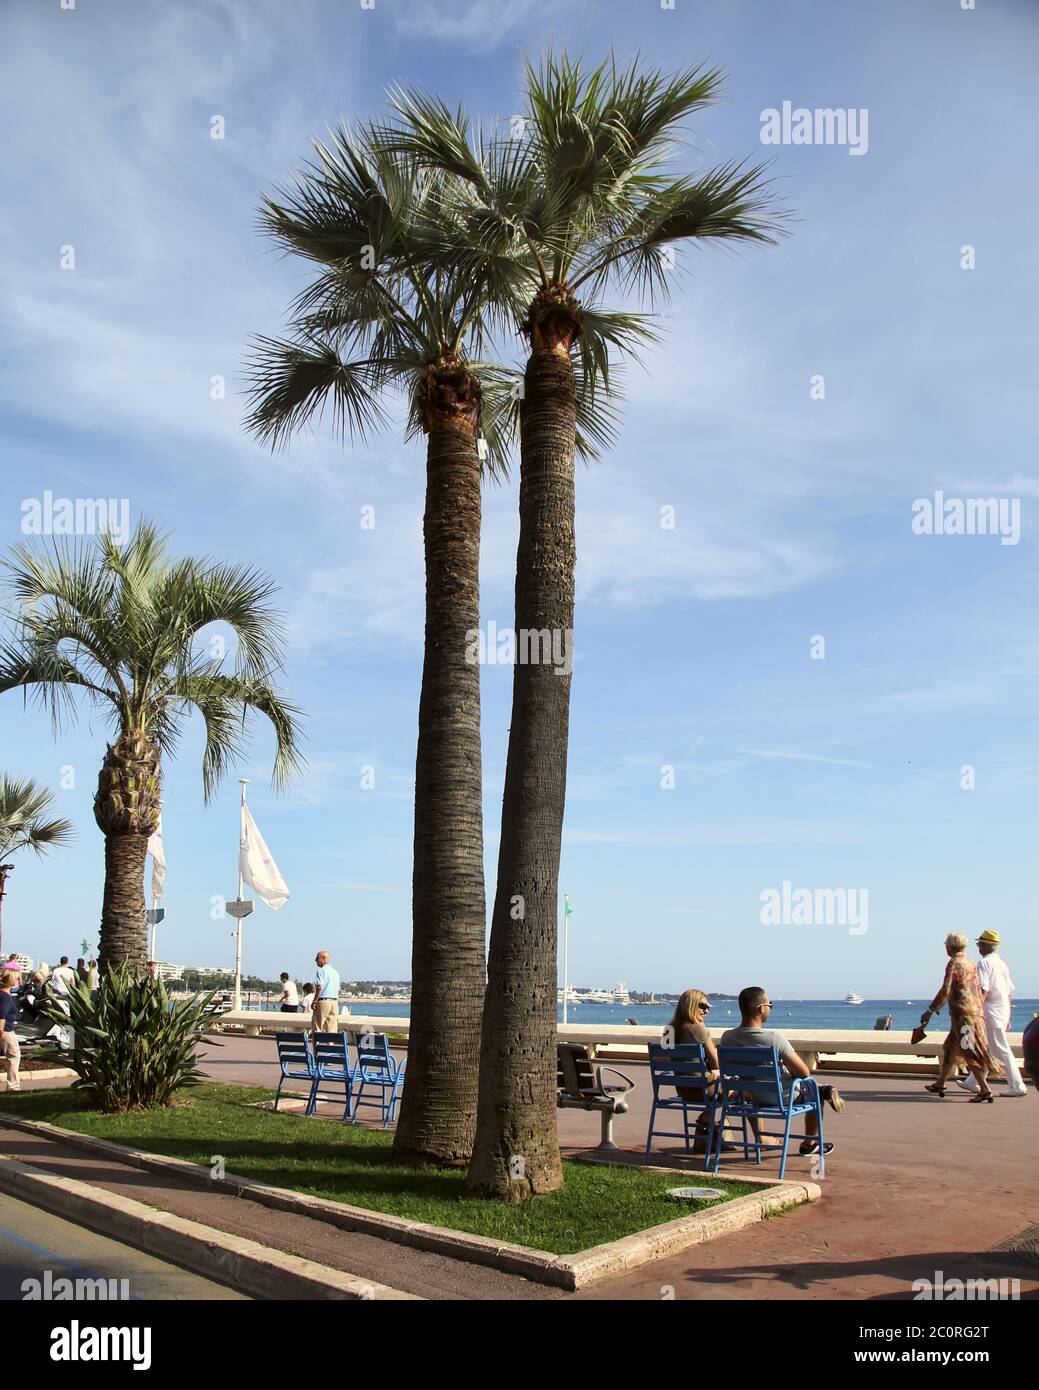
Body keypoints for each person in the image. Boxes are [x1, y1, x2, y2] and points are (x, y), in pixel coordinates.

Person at [720, 986, 844, 1158]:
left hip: (751, 1095)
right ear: (761, 1009)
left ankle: (823, 1088)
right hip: (781, 1096)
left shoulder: (727, 1038)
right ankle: (810, 1144)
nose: (770, 1008)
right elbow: (804, 1072)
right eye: (769, 1004)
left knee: (795, 1082)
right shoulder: (774, 1039)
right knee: (813, 1090)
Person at [921, 933, 997, 1102]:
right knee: (950, 1048)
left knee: (968, 1051)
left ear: (951, 946)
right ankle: (940, 1083)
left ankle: (985, 1089)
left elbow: (946, 990)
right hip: (973, 1013)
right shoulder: (970, 963)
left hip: (964, 1016)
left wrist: (930, 1010)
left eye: (946, 944)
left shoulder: (954, 963)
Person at [955, 931, 1026, 1098]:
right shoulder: (1001, 964)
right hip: (1001, 1011)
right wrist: (1007, 1015)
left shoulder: (983, 964)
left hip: (990, 1012)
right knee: (988, 1049)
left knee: (1000, 1049)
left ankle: (1017, 1085)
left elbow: (982, 990)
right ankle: (973, 1082)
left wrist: (975, 1011)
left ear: (985, 946)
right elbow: (1009, 992)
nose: (978, 946)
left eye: (980, 943)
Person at [0, 971, 21, 1093]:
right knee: (14, 1056)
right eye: (16, 979)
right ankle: (13, 1086)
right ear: (11, 981)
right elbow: (1, 1016)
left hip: (5, 1030)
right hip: (6, 1031)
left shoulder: (3, 995)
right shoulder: (6, 998)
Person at [311, 951, 340, 1033]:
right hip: (334, 1002)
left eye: (317, 958)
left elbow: (319, 987)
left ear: (323, 958)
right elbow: (337, 989)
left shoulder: (321, 971)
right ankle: (330, 1045)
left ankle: (317, 1045)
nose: (315, 960)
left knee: (317, 1027)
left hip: (323, 1002)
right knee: (331, 1029)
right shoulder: (335, 972)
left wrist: (314, 1001)